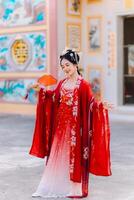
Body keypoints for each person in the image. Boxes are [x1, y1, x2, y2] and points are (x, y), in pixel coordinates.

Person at [29, 48, 112, 198]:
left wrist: (100, 106)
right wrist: (41, 90)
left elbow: (90, 104)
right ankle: (50, 185)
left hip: (75, 129)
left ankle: (73, 189)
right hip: (60, 126)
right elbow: (53, 98)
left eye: (67, 65)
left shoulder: (83, 85)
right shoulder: (62, 83)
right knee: (57, 155)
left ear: (75, 65)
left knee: (72, 157)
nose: (65, 69)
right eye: (63, 67)